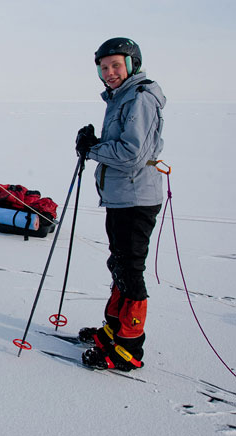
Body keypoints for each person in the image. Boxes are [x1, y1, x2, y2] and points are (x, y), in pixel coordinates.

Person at [75, 38, 166, 371]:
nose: (109, 72)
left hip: (136, 197)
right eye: (104, 67)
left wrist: (91, 149)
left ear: (132, 64)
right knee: (120, 266)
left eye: (116, 65)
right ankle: (113, 328)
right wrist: (95, 143)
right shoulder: (120, 97)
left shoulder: (139, 98)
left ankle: (128, 348)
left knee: (130, 270)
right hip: (122, 196)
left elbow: (131, 154)